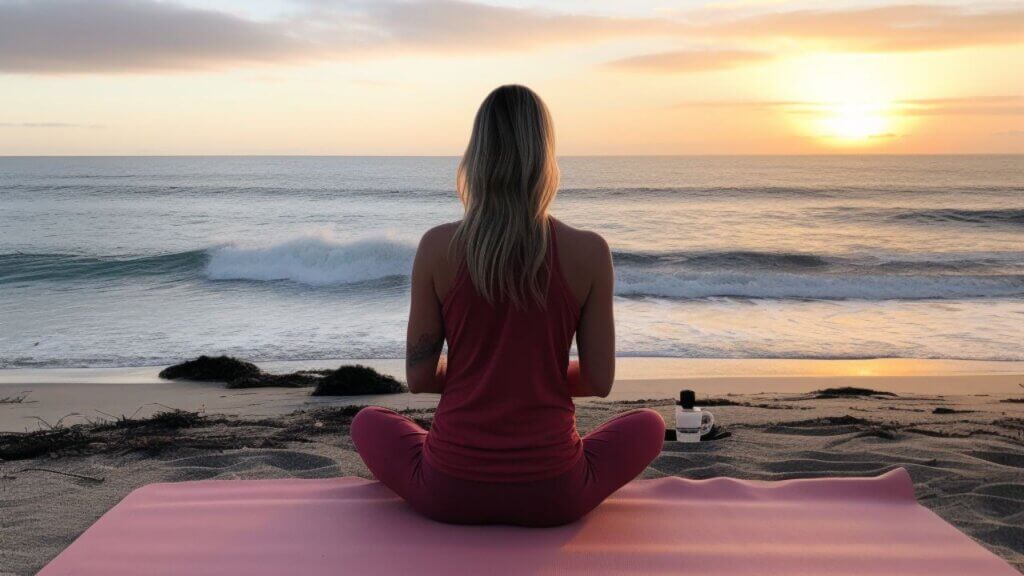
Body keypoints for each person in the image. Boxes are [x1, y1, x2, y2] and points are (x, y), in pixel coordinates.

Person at [351, 85, 664, 526]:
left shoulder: (436, 247)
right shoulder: (589, 252)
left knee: (367, 421)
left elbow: (419, 378)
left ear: (476, 156)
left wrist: (479, 380)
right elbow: (599, 380)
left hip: (448, 491)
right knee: (649, 425)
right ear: (545, 156)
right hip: (555, 495)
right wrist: (533, 380)